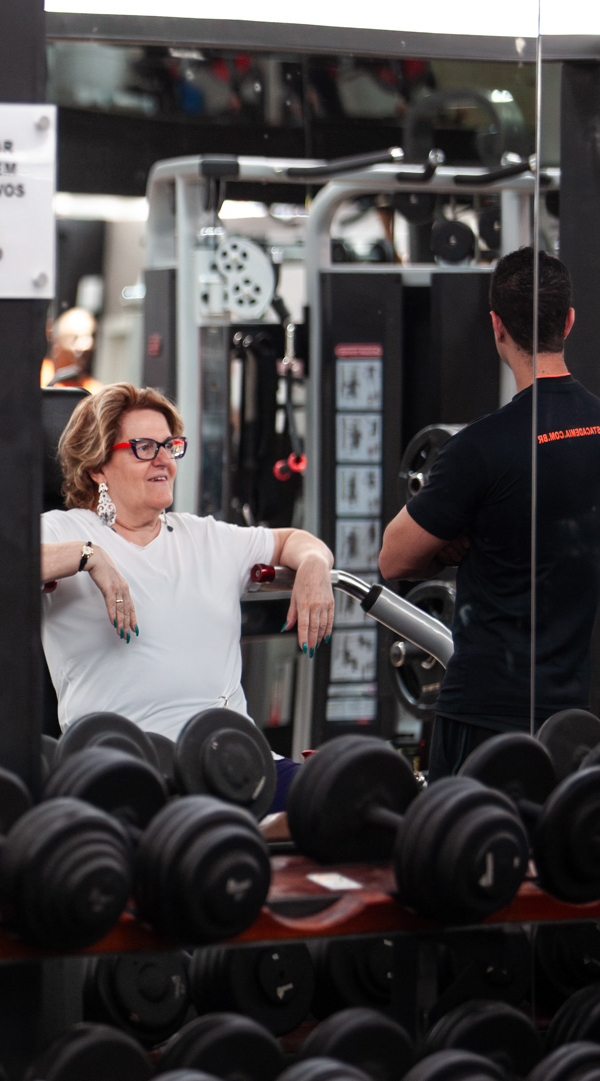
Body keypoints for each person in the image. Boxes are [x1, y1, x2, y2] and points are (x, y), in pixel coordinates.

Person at [40, 383, 336, 811]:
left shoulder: (206, 537)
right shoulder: (63, 531)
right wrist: (89, 556)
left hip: (234, 764)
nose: (163, 460)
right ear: (98, 468)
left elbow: (297, 541)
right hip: (128, 771)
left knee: (342, 803)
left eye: (169, 445)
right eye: (143, 447)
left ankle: (268, 825)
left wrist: (312, 565)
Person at [380, 249, 600, 775]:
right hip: (576, 711)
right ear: (569, 320)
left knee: (469, 853)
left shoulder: (478, 449)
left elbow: (393, 559)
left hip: (487, 711)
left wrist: (458, 541)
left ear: (497, 326)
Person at [40, 307, 103, 392]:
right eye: (74, 338)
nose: (84, 347)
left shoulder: (94, 392)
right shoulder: (38, 377)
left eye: (89, 338)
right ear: (56, 346)